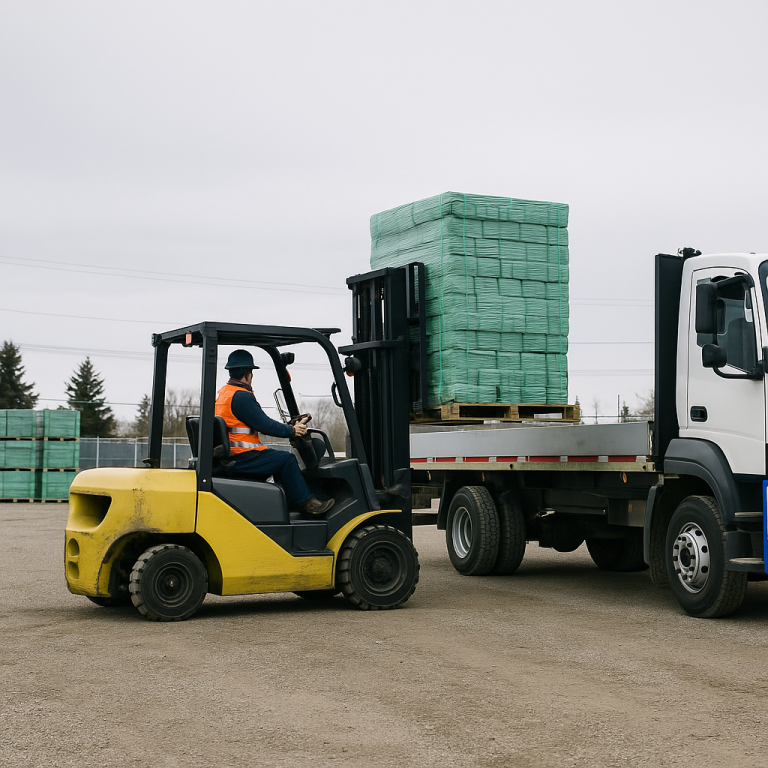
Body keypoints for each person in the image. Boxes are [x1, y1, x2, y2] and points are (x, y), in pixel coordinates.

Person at [215, 349, 334, 516]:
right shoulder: (241, 396)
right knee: (286, 460)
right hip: (242, 456)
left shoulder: (224, 393)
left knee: (277, 460)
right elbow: (265, 425)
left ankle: (289, 505)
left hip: (232, 454)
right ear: (248, 374)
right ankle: (308, 504)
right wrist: (292, 430)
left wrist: (289, 429)